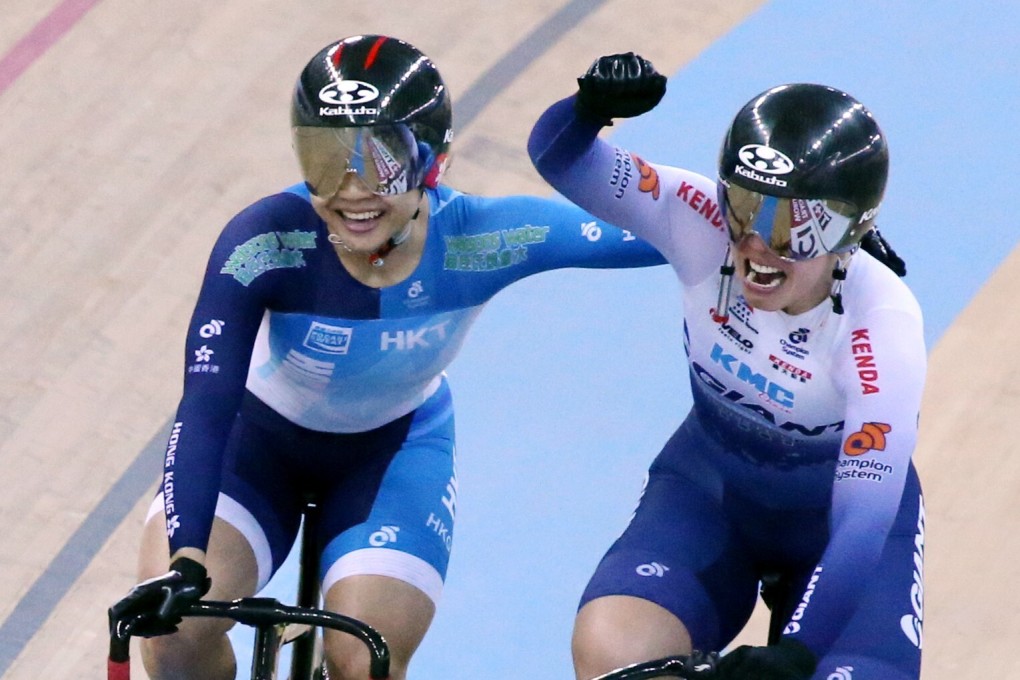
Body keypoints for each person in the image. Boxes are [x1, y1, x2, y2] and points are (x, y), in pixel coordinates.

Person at [107, 36, 666, 680]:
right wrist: (185, 564)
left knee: (364, 661)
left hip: (392, 455)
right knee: (175, 636)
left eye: (380, 162)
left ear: (435, 160)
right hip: (252, 447)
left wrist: (585, 120)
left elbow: (672, 231)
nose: (350, 190)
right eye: (324, 158)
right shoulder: (264, 240)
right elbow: (205, 408)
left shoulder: (483, 237)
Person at [528, 53, 925, 680]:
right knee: (611, 653)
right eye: (744, 208)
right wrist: (589, 110)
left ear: (850, 232)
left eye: (796, 229)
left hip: (838, 536)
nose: (757, 245)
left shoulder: (882, 323)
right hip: (709, 494)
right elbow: (560, 156)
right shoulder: (697, 220)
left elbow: (862, 522)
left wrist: (793, 655)